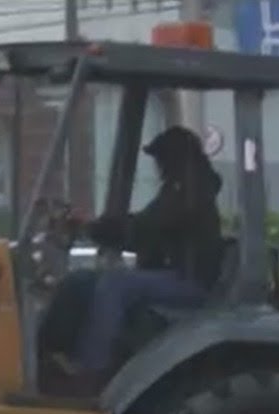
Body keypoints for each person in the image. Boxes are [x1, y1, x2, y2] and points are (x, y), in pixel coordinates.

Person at [70, 126, 226, 389]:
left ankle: (93, 370)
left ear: (174, 158)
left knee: (115, 284)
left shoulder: (189, 192)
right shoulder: (182, 189)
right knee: (82, 281)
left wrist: (96, 228)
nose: (157, 166)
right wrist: (95, 228)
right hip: (175, 273)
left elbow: (146, 227)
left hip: (188, 280)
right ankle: (69, 353)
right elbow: (144, 227)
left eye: (160, 158)